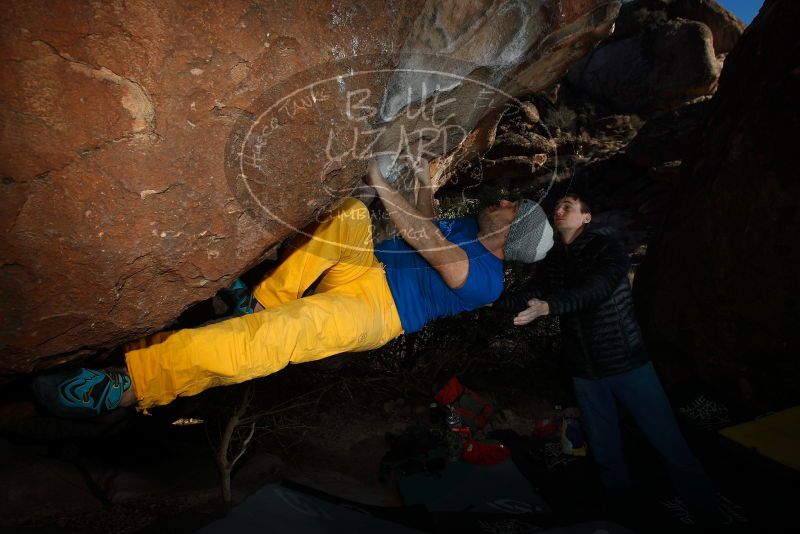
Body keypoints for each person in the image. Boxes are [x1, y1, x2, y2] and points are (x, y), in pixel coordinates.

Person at [32, 157, 553, 417]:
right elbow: (429, 218)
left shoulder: (485, 281)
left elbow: (423, 236)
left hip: (375, 314)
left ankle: (128, 384)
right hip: (364, 268)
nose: (502, 201)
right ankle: (257, 301)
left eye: (511, 207)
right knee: (349, 214)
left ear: (513, 231)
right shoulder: (473, 233)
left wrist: (381, 180)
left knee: (277, 339)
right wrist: (422, 176)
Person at [494, 193, 719, 518]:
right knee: (604, 450)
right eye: (557, 207)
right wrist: (486, 298)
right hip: (585, 371)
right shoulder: (555, 259)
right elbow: (530, 294)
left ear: (586, 217)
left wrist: (550, 306)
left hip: (626, 364)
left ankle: (707, 510)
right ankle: (623, 514)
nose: (558, 210)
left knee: (666, 441)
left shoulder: (608, 248)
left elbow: (596, 291)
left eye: (568, 207)